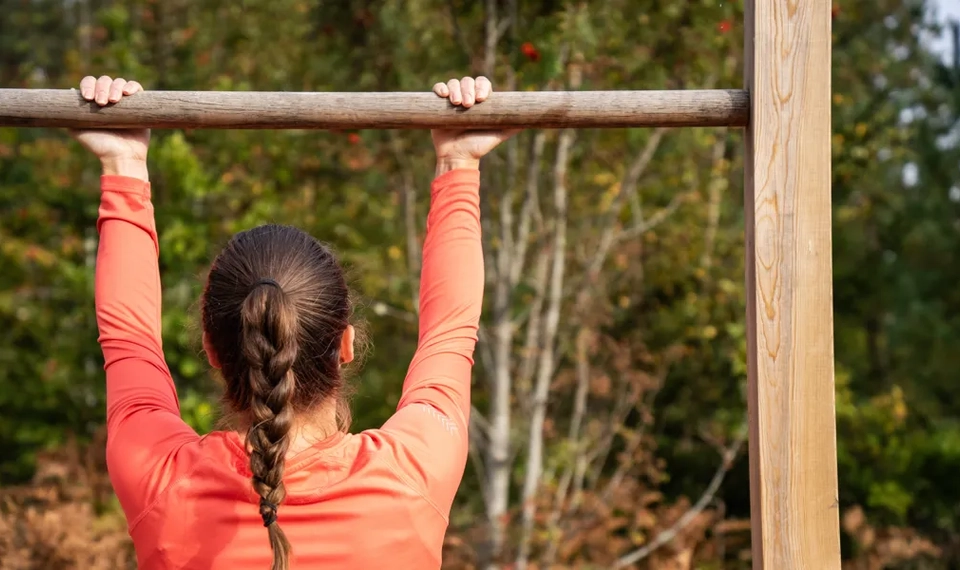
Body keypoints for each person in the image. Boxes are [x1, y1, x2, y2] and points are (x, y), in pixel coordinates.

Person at [72, 74, 516, 570]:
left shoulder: (160, 480)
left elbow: (129, 344)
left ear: (213, 350)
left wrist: (124, 165)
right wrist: (458, 163)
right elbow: (450, 332)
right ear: (345, 344)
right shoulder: (413, 473)